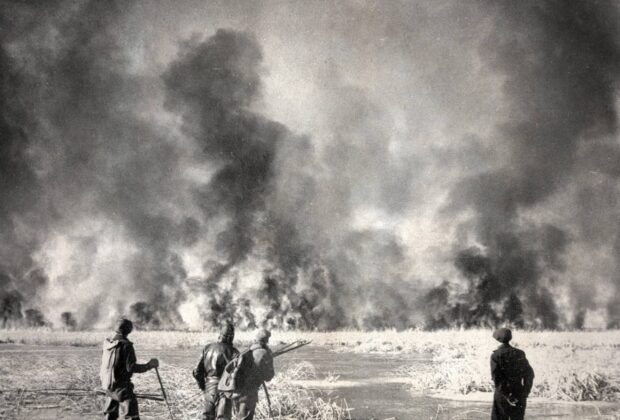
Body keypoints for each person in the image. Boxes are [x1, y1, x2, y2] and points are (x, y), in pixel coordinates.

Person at [100, 318, 159, 420]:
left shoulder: (108, 343)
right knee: (132, 416)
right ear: (129, 330)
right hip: (122, 388)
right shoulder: (126, 345)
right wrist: (149, 365)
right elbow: (131, 367)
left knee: (110, 415)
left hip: (108, 385)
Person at [194, 322, 239, 420]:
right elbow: (239, 375)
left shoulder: (207, 348)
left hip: (209, 389)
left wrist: (203, 386)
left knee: (206, 417)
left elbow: (197, 371)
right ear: (231, 337)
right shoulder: (234, 352)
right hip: (225, 391)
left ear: (220, 335)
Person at [490, 328, 535, 420]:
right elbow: (529, 374)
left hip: (502, 396)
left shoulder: (496, 355)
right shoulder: (520, 353)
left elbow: (497, 378)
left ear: (498, 340)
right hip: (519, 393)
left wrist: (507, 395)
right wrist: (525, 392)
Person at [234, 328, 275, 420]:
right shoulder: (265, 353)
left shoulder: (246, 351)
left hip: (236, 391)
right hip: (249, 392)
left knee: (239, 416)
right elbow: (269, 376)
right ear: (267, 340)